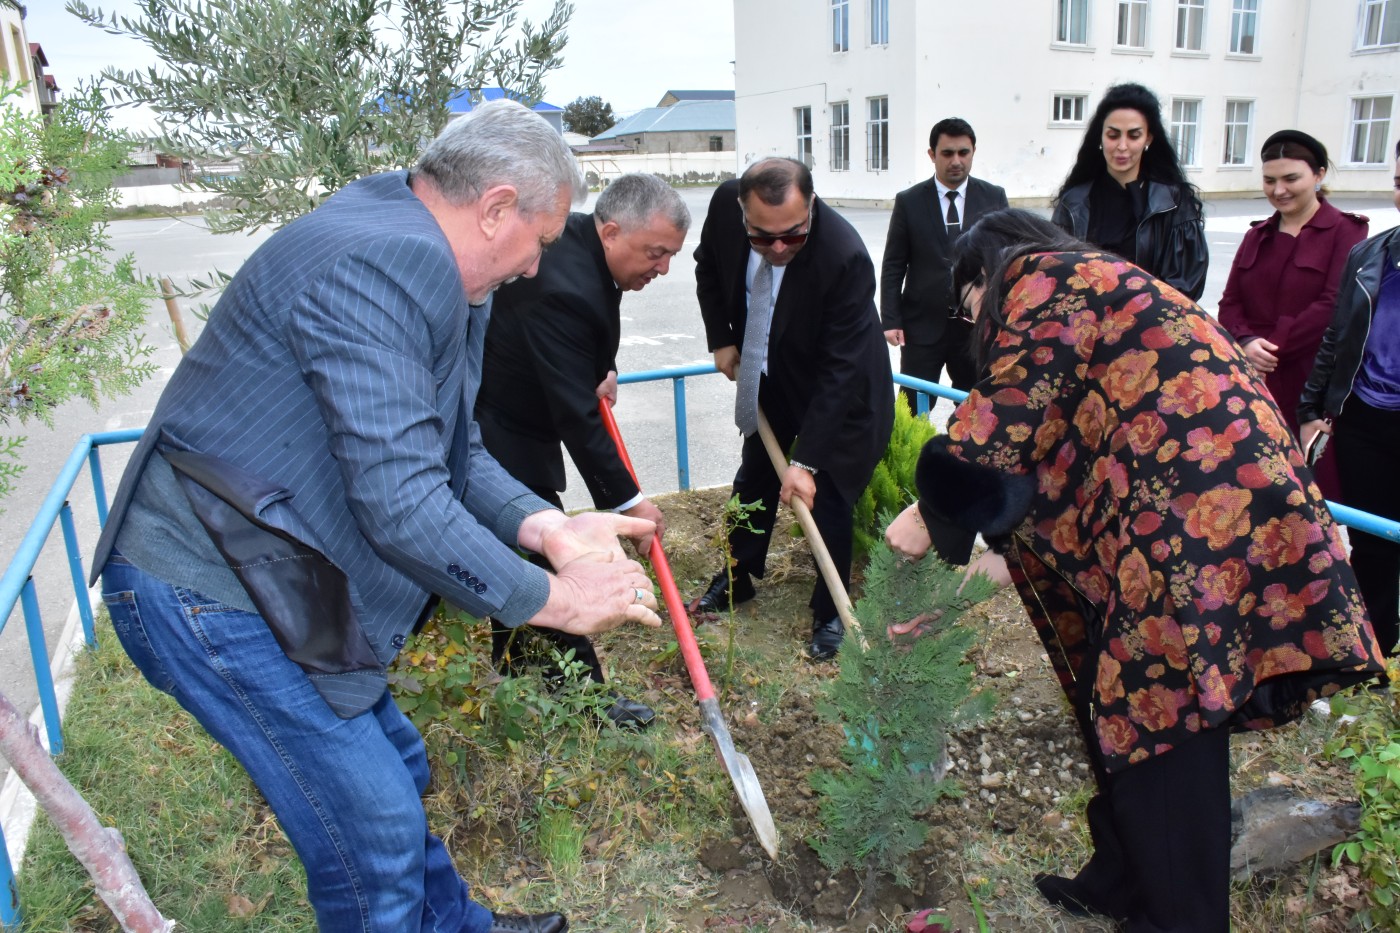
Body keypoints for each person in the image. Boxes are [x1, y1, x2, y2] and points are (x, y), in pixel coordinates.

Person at [90, 100, 665, 933]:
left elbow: (451, 450)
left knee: (395, 768)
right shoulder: (387, 260)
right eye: (538, 242)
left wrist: (547, 529)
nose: (538, 268)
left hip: (275, 567)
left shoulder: (423, 244)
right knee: (372, 838)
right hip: (211, 585)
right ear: (496, 206)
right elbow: (402, 504)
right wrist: (557, 602)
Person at [885, 209, 1382, 932]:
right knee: (1110, 691)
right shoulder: (1099, 292)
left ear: (983, 276)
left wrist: (927, 510)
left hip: (1202, 522)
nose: (978, 334)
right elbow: (1035, 487)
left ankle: (1182, 915)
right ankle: (1123, 875)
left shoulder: (1040, 279)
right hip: (1211, 506)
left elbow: (1002, 422)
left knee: (1160, 713)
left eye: (971, 311)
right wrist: (952, 595)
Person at [477, 173, 690, 728]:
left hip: (516, 412)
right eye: (656, 253)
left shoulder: (582, 243)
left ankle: (515, 665)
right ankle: (584, 703)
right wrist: (629, 502)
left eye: (670, 256)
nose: (663, 268)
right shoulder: (562, 287)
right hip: (495, 429)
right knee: (547, 556)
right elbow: (577, 415)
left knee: (514, 555)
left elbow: (581, 347)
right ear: (613, 231)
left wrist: (601, 367)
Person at [688, 157, 894, 661]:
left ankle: (830, 613)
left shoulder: (844, 256)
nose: (778, 248)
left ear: (812, 207)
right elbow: (708, 268)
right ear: (742, 213)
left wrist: (806, 463)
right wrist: (722, 339)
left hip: (845, 394)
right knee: (754, 477)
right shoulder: (723, 207)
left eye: (793, 235)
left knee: (827, 498)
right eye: (762, 237)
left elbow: (841, 371)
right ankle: (738, 577)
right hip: (772, 372)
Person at [1218, 129, 1369, 499]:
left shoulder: (1346, 232)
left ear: (1318, 175)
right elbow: (1230, 302)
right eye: (1269, 180)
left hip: (1311, 381)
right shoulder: (1257, 236)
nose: (1279, 190)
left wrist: (1271, 348)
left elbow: (1334, 304)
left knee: (1313, 489)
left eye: (1291, 178)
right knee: (1250, 484)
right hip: (1252, 377)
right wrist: (1245, 342)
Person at [1299, 139, 1400, 660]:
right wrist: (1314, 410)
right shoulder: (1371, 255)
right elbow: (1337, 338)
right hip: (1366, 421)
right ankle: (1375, 651)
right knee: (1374, 544)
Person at [881, 117, 1008, 412]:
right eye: (947, 153)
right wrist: (891, 319)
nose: (956, 161)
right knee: (912, 408)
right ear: (932, 155)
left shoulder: (994, 197)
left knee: (976, 408)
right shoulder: (909, 201)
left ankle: (963, 459)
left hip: (975, 327)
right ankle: (913, 459)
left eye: (963, 153)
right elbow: (893, 265)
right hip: (921, 327)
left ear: (973, 152)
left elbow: (1006, 260)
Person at [1050, 82, 1208, 300]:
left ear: (1148, 139)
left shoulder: (1173, 202)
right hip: (1086, 324)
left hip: (1152, 325)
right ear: (1100, 137)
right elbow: (1056, 274)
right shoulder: (1073, 202)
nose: (1122, 146)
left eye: (1133, 136)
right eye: (1113, 135)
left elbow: (1184, 287)